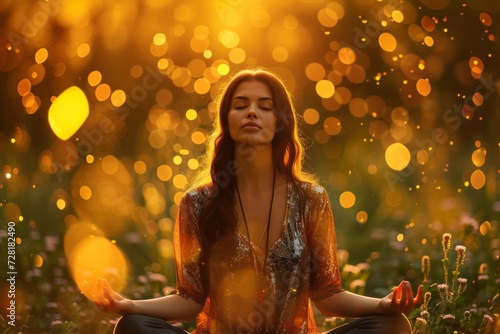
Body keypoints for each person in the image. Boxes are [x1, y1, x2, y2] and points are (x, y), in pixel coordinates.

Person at [93, 68, 424, 333]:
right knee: (132, 326)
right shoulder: (196, 203)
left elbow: (328, 296)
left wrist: (383, 305)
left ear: (280, 121)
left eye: (265, 106)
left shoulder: (311, 199)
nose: (252, 112)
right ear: (228, 120)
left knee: (392, 325)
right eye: (240, 105)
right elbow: (189, 298)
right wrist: (130, 306)